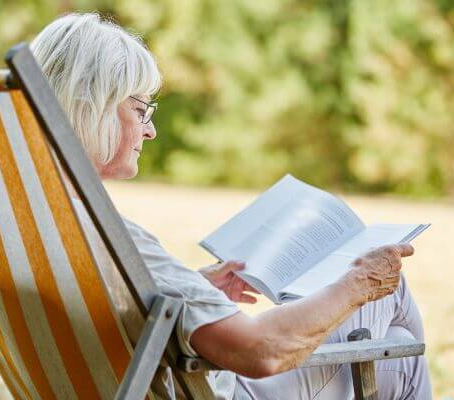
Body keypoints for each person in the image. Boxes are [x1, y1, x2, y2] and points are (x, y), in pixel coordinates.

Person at [30, 13, 432, 400]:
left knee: (396, 344)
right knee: (392, 317)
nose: (150, 130)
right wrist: (359, 282)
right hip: (217, 389)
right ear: (93, 107)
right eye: (140, 110)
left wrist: (183, 299)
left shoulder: (27, 219)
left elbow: (110, 315)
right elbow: (262, 350)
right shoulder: (105, 235)